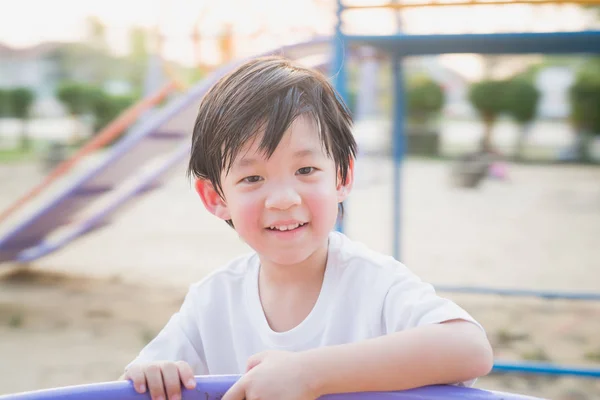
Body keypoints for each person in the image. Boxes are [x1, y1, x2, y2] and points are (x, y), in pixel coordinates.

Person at [121, 56, 493, 400]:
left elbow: (469, 348)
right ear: (215, 197)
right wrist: (154, 372)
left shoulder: (374, 284)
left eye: (305, 171)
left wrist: (309, 373)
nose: (283, 199)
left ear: (342, 175)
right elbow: (145, 374)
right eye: (252, 177)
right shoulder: (212, 301)